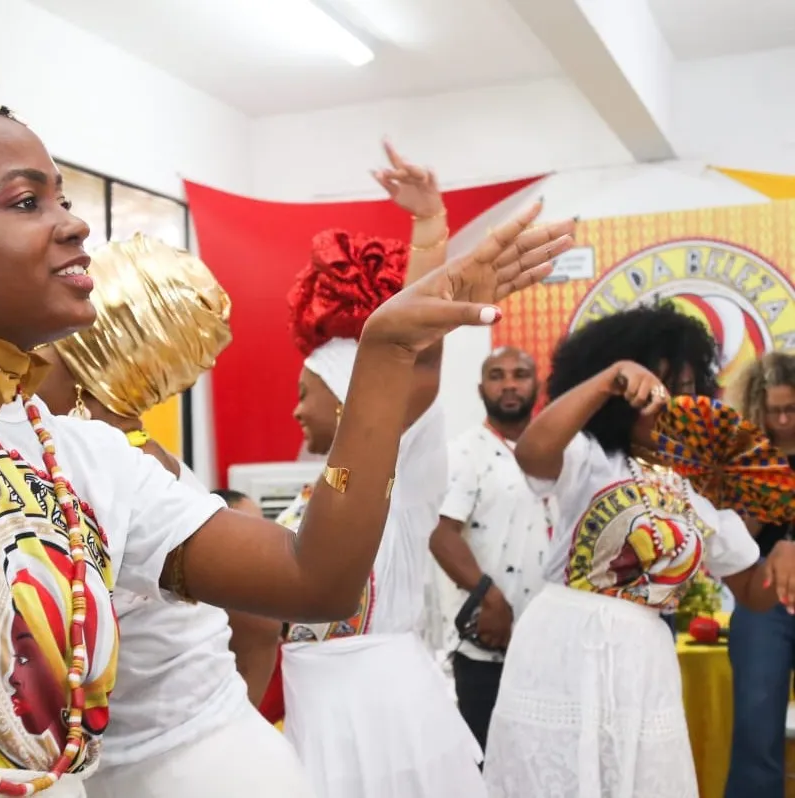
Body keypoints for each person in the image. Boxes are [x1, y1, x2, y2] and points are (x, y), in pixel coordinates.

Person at [0, 32, 562, 798]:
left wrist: (386, 352)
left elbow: (314, 578)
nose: (75, 223)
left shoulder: (85, 455)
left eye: (64, 197)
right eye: (25, 201)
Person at [277, 144, 578, 798]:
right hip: (317, 706)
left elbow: (408, 354)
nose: (294, 407)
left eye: (307, 389)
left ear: (351, 395)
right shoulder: (323, 487)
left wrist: (428, 230)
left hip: (376, 713)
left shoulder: (395, 459)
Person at [482, 304, 795, 798]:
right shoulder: (589, 457)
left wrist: (780, 564)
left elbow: (751, 592)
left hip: (643, 662)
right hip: (563, 648)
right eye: (657, 386)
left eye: (688, 389)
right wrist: (609, 377)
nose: (671, 403)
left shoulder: (696, 495)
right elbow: (532, 452)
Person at [36, 319, 299, 797]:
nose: (30, 368)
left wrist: (211, 726)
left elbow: (262, 620)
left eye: (47, 350)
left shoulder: (110, 473)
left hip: (189, 772)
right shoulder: (145, 458)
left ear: (86, 372)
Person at [429, 346, 552, 752]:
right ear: (481, 388)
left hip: (550, 644)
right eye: (497, 375)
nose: (510, 384)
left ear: (538, 385)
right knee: (492, 768)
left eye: (520, 374)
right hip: (488, 648)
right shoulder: (465, 453)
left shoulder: (557, 454)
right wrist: (490, 596)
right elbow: (440, 535)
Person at [724, 352, 795, 798]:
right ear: (756, 410)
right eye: (774, 411)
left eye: (792, 409)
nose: (785, 419)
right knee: (756, 722)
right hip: (763, 595)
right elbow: (735, 540)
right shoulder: (744, 456)